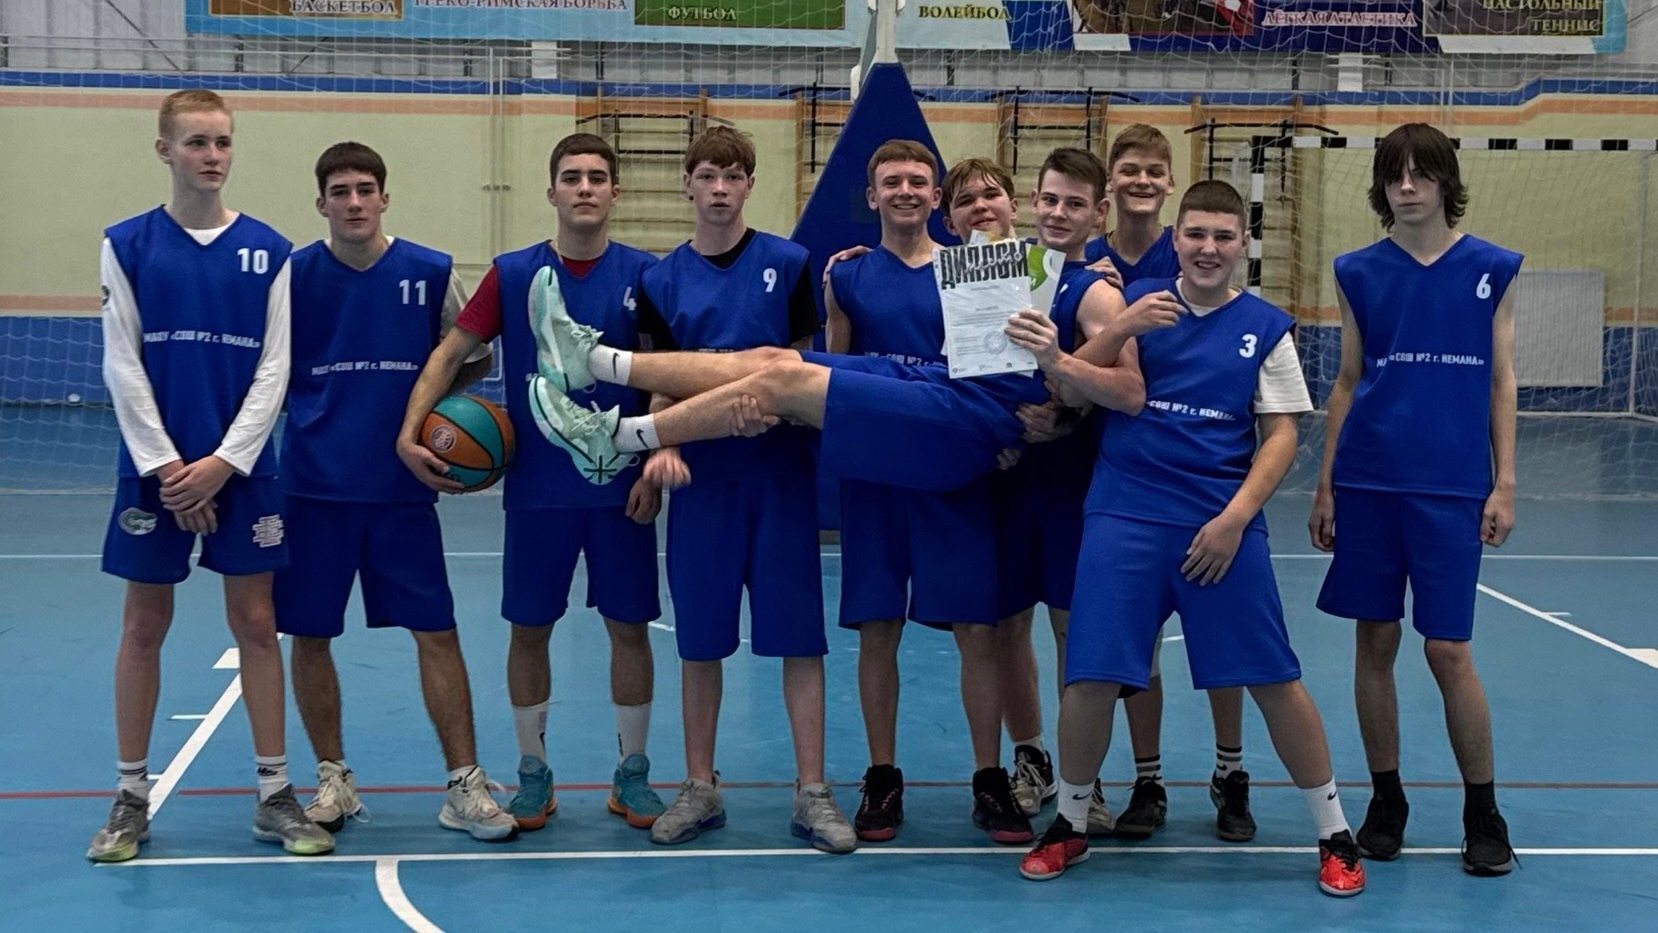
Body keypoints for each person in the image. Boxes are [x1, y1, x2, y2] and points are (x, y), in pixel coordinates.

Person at [1015, 180, 1365, 897]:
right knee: (1089, 676)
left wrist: (1235, 518)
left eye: (1222, 236)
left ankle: (1334, 832)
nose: (1208, 248)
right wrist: (1103, 333)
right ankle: (1071, 822)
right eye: (1195, 234)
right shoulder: (1135, 304)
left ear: (1242, 245)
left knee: (1273, 677)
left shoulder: (1266, 327)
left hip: (1219, 524)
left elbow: (1281, 436)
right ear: (1175, 239)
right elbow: (1074, 391)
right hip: (1124, 516)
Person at [529, 126, 855, 852]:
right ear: (688, 184)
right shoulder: (660, 280)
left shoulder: (789, 263)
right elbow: (662, 382)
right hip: (704, 486)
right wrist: (667, 446)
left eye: (733, 176)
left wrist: (773, 409)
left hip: (779, 479)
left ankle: (813, 791)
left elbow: (803, 369)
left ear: (749, 186)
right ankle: (701, 785)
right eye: (707, 175)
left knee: (800, 641)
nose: (719, 188)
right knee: (700, 644)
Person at [89, 89, 333, 862]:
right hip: (154, 473)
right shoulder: (127, 243)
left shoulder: (270, 250)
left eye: (222, 141)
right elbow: (122, 362)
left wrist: (223, 465)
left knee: (257, 623)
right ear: (164, 149)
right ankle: (131, 797)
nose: (212, 155)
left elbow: (275, 369)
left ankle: (275, 794)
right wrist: (170, 468)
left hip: (244, 471)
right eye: (196, 142)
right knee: (143, 626)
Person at [398, 133, 667, 833]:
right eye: (572, 177)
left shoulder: (646, 275)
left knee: (630, 628)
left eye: (597, 177)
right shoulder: (512, 273)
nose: (585, 188)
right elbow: (451, 353)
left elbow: (666, 375)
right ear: (552, 192)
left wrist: (657, 461)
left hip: (622, 489)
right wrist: (411, 429)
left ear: (614, 193)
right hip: (538, 492)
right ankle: (533, 773)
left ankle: (632, 774)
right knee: (529, 630)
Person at [279, 142, 516, 842]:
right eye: (340, 191)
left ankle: (464, 783)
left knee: (437, 631)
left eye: (365, 189)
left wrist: (432, 417)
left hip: (401, 489)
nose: (354, 202)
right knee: (311, 635)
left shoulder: (430, 271)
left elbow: (472, 357)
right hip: (315, 485)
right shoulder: (292, 277)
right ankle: (332, 778)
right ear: (321, 202)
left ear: (385, 198)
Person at [1309, 122, 1520, 877]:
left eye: (1421, 172)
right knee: (1375, 641)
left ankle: (1482, 811)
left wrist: (1504, 480)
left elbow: (1501, 379)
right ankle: (1386, 798)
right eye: (1394, 174)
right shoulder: (1357, 270)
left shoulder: (1492, 267)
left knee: (1448, 649)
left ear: (1445, 181)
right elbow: (1347, 380)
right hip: (1369, 480)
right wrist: (1326, 484)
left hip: (1451, 487)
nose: (1407, 186)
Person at [825, 146, 1031, 845]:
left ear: (937, 197)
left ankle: (989, 775)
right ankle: (882, 774)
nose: (906, 191)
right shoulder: (846, 276)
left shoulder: (974, 270)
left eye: (919, 182)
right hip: (878, 470)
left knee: (978, 629)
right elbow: (835, 377)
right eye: (892, 182)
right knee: (877, 625)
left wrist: (1002, 433)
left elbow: (1003, 364)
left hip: (952, 467)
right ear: (872, 196)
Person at [1086, 124, 1254, 844]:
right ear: (1110, 181)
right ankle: (1145, 778)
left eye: (1155, 171)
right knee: (1137, 640)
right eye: (1129, 169)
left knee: (1224, 635)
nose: (1142, 181)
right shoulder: (1085, 257)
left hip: (1198, 478)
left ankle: (1230, 770)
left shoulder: (1193, 253)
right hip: (1115, 467)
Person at [991, 147, 1126, 834]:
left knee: (1074, 629)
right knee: (1007, 626)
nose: (1059, 212)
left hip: (1073, 483)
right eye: (1049, 199)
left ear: (1098, 213)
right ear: (1030, 203)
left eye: (1075, 203)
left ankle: (1084, 777)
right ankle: (1031, 758)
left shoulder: (1098, 292)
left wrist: (1068, 415)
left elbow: (1125, 384)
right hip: (1003, 477)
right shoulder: (1002, 274)